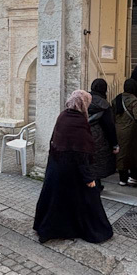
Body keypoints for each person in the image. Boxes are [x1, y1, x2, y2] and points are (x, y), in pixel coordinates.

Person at [33, 90, 113, 244]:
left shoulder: (63, 115)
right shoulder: (79, 121)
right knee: (86, 200)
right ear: (83, 104)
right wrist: (88, 178)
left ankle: (49, 230)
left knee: (55, 201)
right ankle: (91, 231)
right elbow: (80, 152)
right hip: (72, 170)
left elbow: (53, 140)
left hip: (56, 166)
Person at [112, 79, 137, 188]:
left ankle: (122, 179)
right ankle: (133, 178)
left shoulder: (116, 99)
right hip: (131, 131)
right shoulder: (134, 100)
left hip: (118, 129)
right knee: (133, 154)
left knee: (121, 154)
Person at [87, 79, 118, 191]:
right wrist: (114, 144)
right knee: (97, 162)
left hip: (84, 134)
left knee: (87, 161)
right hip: (99, 137)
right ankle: (95, 186)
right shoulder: (104, 105)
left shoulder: (84, 99)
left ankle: (92, 185)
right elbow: (109, 126)